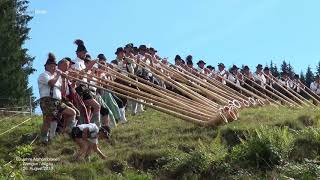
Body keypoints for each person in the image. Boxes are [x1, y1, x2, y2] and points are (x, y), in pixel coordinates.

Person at [38, 53, 76, 143]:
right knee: (48, 119)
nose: (54, 68)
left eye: (55, 66)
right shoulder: (44, 75)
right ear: (46, 67)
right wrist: (59, 75)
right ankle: (44, 139)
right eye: (52, 66)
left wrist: (63, 79)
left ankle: (66, 133)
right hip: (47, 100)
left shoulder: (56, 77)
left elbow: (63, 91)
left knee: (72, 113)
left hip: (57, 101)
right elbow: (51, 83)